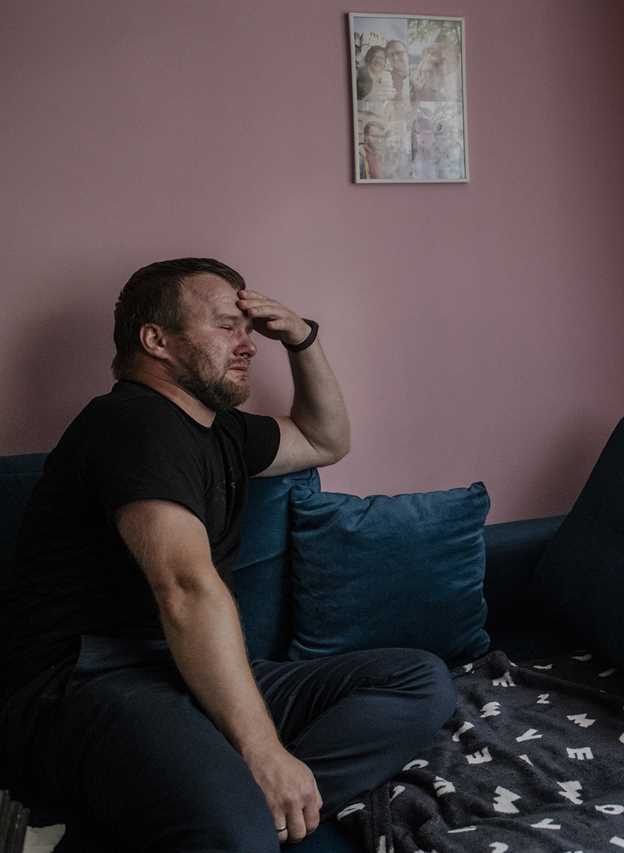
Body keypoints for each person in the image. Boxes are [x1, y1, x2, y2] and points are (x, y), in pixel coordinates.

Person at [0, 258, 457, 851]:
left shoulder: (221, 431)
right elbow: (186, 588)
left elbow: (326, 440)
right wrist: (263, 752)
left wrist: (302, 338)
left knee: (418, 680)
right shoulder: (131, 424)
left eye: (249, 329)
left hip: (187, 672)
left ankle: (242, 805)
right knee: (236, 830)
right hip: (89, 682)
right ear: (156, 340)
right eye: (226, 327)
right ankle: (231, 808)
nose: (248, 345)